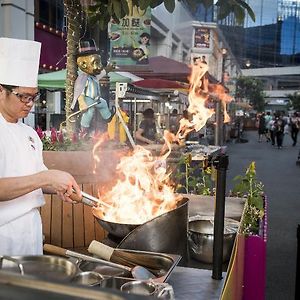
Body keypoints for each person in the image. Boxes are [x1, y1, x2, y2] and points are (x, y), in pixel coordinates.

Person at [0, 37, 81, 256]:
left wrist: (58, 185)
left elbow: (35, 175)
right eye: (23, 97)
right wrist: (46, 179)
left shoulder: (29, 134)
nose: (29, 103)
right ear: (1, 91)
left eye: (33, 97)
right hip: (3, 235)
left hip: (32, 230)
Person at [71, 39, 115, 135]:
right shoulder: (82, 78)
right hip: (89, 99)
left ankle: (107, 117)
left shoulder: (93, 76)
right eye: (96, 63)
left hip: (96, 99)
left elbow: (102, 73)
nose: (99, 67)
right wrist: (82, 103)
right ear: (83, 64)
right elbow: (80, 91)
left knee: (103, 104)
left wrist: (108, 69)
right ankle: (84, 128)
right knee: (89, 112)